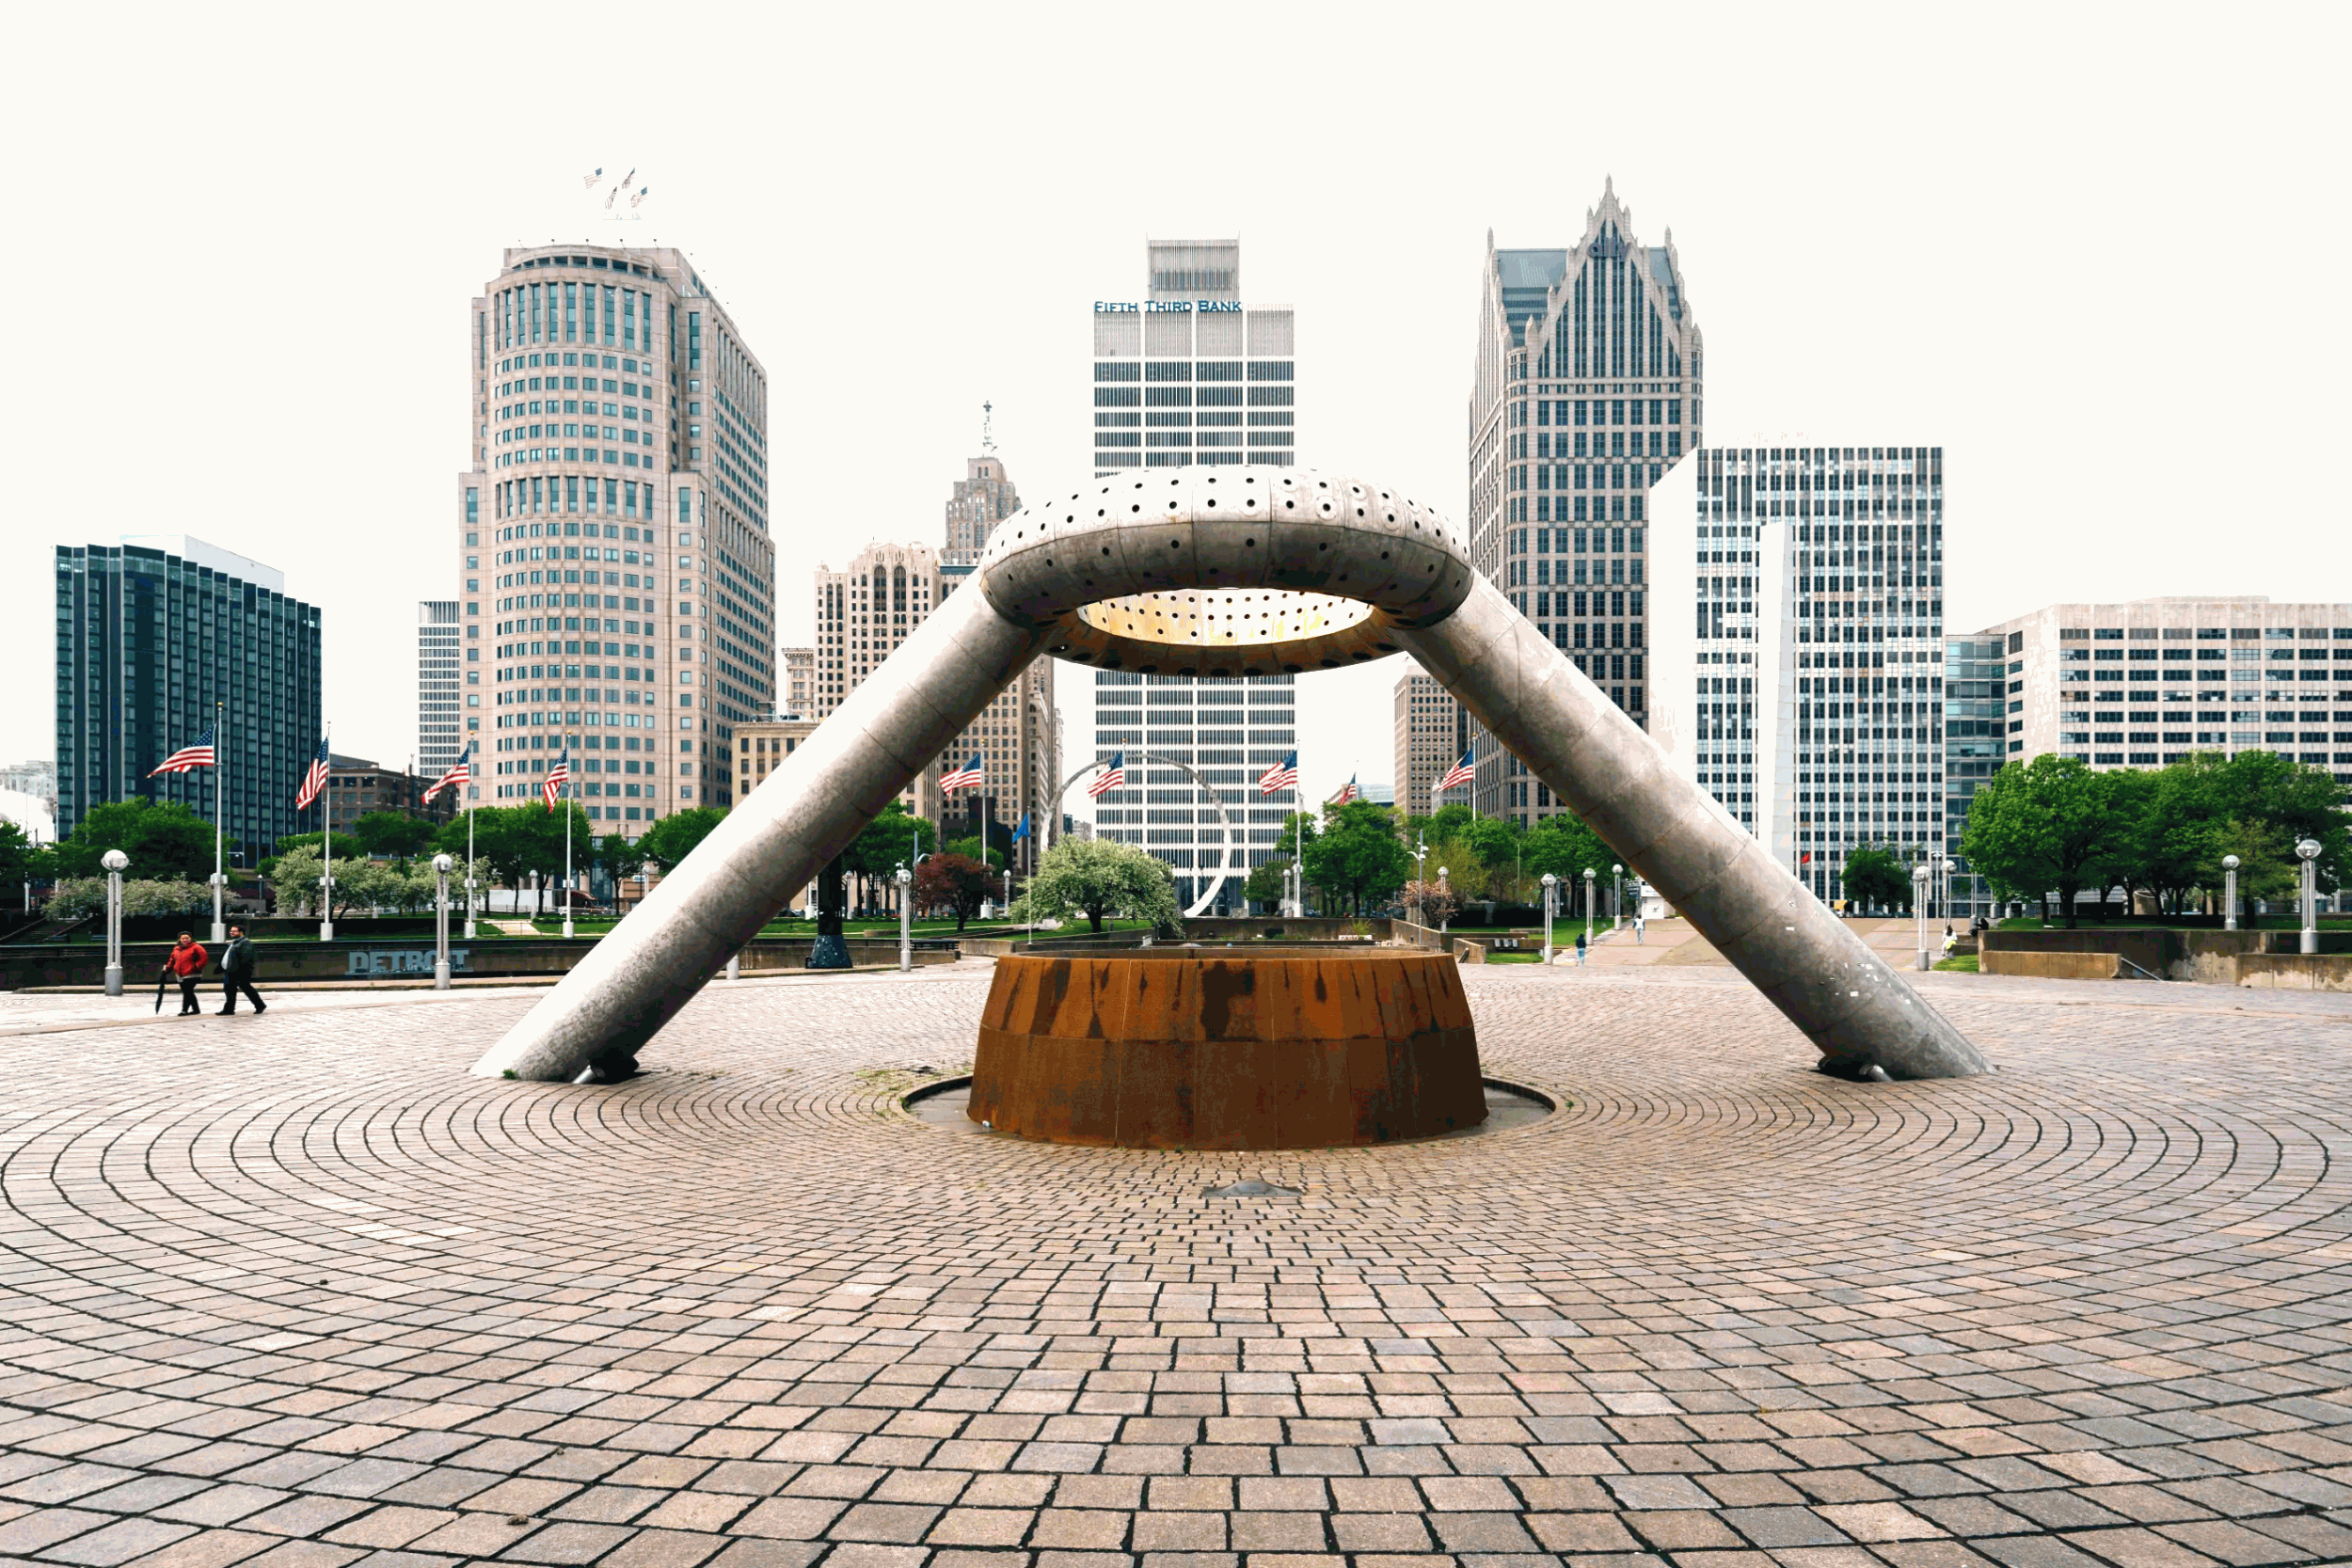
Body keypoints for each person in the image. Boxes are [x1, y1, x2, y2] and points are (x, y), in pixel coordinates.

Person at [217, 925, 265, 1015]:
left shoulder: (245, 943)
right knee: (230, 989)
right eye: (231, 931)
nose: (231, 932)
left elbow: (246, 958)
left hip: (239, 972)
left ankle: (260, 1005)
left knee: (246, 989)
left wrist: (241, 972)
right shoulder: (235, 942)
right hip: (230, 971)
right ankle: (229, 1009)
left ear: (241, 932)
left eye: (234, 931)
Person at [164, 932, 208, 1017]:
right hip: (180, 974)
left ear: (191, 938)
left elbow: (204, 958)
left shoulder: (196, 947)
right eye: (183, 938)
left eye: (187, 938)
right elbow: (172, 960)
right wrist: (166, 968)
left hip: (192, 974)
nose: (185, 940)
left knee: (187, 991)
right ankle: (196, 1009)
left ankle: (184, 1010)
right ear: (180, 940)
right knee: (188, 992)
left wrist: (196, 967)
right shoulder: (176, 949)